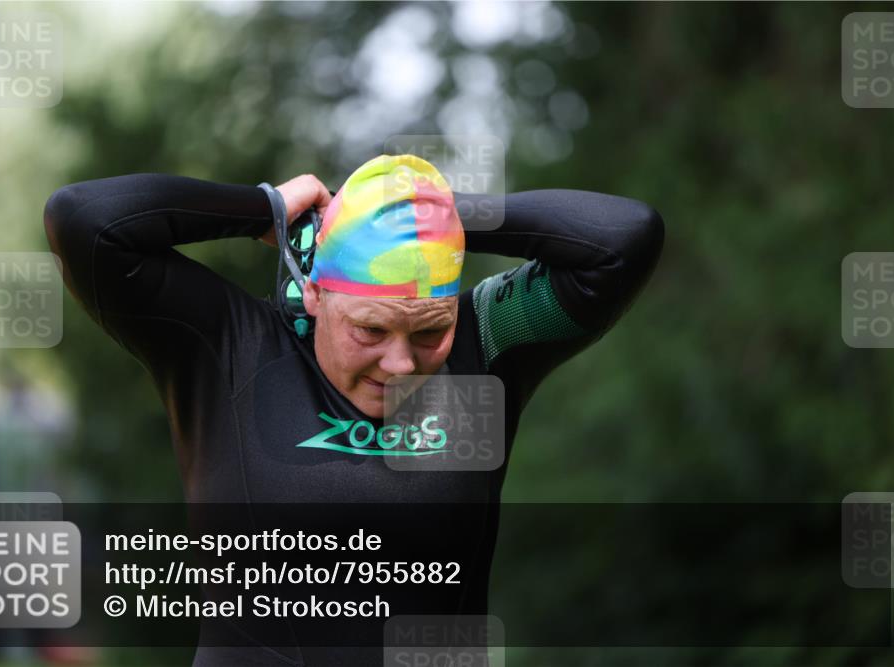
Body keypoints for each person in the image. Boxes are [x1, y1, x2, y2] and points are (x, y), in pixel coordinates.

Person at [43, 154, 664, 665]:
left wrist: (430, 211)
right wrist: (264, 207)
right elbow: (87, 220)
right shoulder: (231, 347)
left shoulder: (484, 347)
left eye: (428, 334)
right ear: (315, 293)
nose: (400, 365)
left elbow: (621, 238)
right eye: (370, 330)